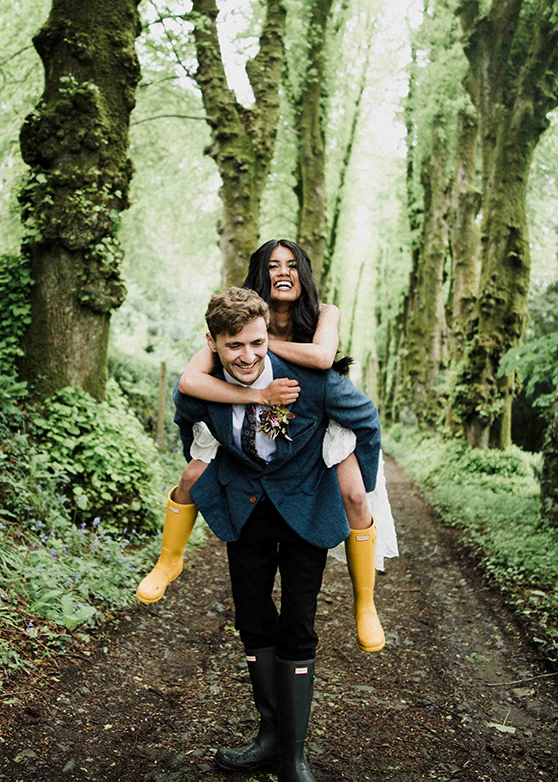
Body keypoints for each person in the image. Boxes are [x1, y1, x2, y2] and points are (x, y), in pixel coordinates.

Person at [136, 240, 397, 654]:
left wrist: (260, 344)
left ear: (303, 274)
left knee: (353, 495)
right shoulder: (237, 320)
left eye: (292, 265)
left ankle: (365, 601)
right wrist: (247, 355)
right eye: (273, 265)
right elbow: (188, 386)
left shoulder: (322, 314)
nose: (283, 272)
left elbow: (323, 357)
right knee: (192, 474)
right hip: (249, 407)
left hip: (317, 410)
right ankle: (170, 559)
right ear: (260, 276)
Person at [168, 286, 381, 781]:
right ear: (214, 345)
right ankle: (268, 736)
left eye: (257, 344)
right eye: (235, 346)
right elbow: (189, 421)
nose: (248, 355)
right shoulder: (204, 383)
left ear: (269, 337)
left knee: (298, 623)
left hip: (306, 510)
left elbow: (365, 419)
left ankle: (294, 754)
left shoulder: (312, 379)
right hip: (247, 512)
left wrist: (354, 479)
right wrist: (213, 473)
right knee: (253, 618)